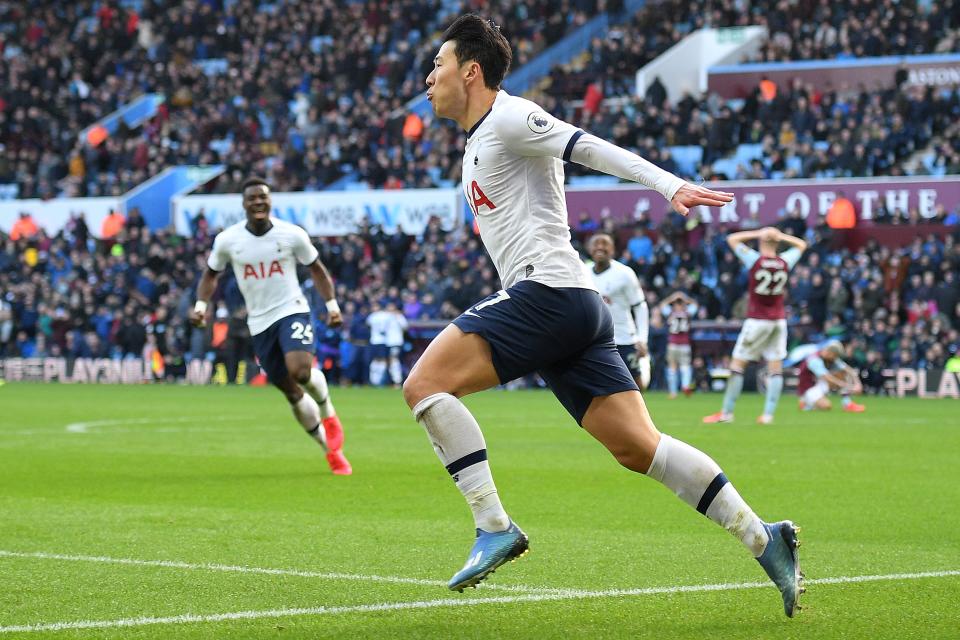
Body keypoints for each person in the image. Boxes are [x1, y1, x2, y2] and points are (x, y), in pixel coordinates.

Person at [404, 15, 803, 617]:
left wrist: (669, 186)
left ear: (471, 70)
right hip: (575, 309)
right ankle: (763, 538)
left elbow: (586, 145)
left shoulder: (510, 117)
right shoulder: (477, 141)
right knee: (640, 448)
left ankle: (494, 525)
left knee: (424, 385)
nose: (428, 78)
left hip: (550, 294)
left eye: (437, 66)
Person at [189, 177, 352, 475]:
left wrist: (332, 306)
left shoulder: (292, 235)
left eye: (263, 197)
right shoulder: (228, 240)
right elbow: (210, 274)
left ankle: (329, 414)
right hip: (259, 322)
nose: (258, 203)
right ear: (244, 204)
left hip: (292, 310)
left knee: (301, 371)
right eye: (252, 198)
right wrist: (201, 307)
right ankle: (329, 451)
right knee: (290, 391)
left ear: (270, 201)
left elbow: (317, 269)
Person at [704, 227, 807, 425]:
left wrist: (758, 233)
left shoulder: (755, 260)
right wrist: (780, 236)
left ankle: (726, 413)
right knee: (775, 367)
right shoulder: (784, 262)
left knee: (737, 365)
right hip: (778, 320)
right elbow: (802, 245)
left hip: (757, 320)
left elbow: (732, 239)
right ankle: (768, 415)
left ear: (762, 241)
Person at [588, 233, 650, 390]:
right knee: (595, 387)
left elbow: (640, 306)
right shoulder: (583, 272)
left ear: (613, 249)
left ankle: (637, 414)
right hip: (593, 340)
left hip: (624, 338)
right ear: (589, 248)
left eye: (605, 244)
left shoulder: (625, 274)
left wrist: (642, 339)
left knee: (635, 386)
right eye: (596, 243)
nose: (600, 247)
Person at [794, 341, 866, 412]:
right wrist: (849, 386)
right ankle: (805, 404)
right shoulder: (814, 360)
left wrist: (858, 384)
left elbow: (849, 370)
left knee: (842, 372)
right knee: (826, 406)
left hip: (819, 384)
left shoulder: (830, 357)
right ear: (830, 353)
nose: (835, 359)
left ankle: (847, 404)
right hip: (808, 388)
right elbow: (827, 377)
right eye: (835, 356)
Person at [660, 290, 698, 398]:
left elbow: (662, 305)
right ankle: (685, 386)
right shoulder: (687, 313)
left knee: (672, 367)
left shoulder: (671, 313)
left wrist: (671, 298)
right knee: (685, 366)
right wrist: (686, 299)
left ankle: (673, 392)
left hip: (673, 343)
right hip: (685, 344)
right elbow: (695, 305)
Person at [367, 300, 409, 386]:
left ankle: (397, 381)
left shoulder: (398, 316)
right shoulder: (385, 316)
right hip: (387, 342)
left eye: (392, 306)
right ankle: (380, 381)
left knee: (394, 360)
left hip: (396, 342)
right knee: (386, 361)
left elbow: (405, 327)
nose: (390, 308)